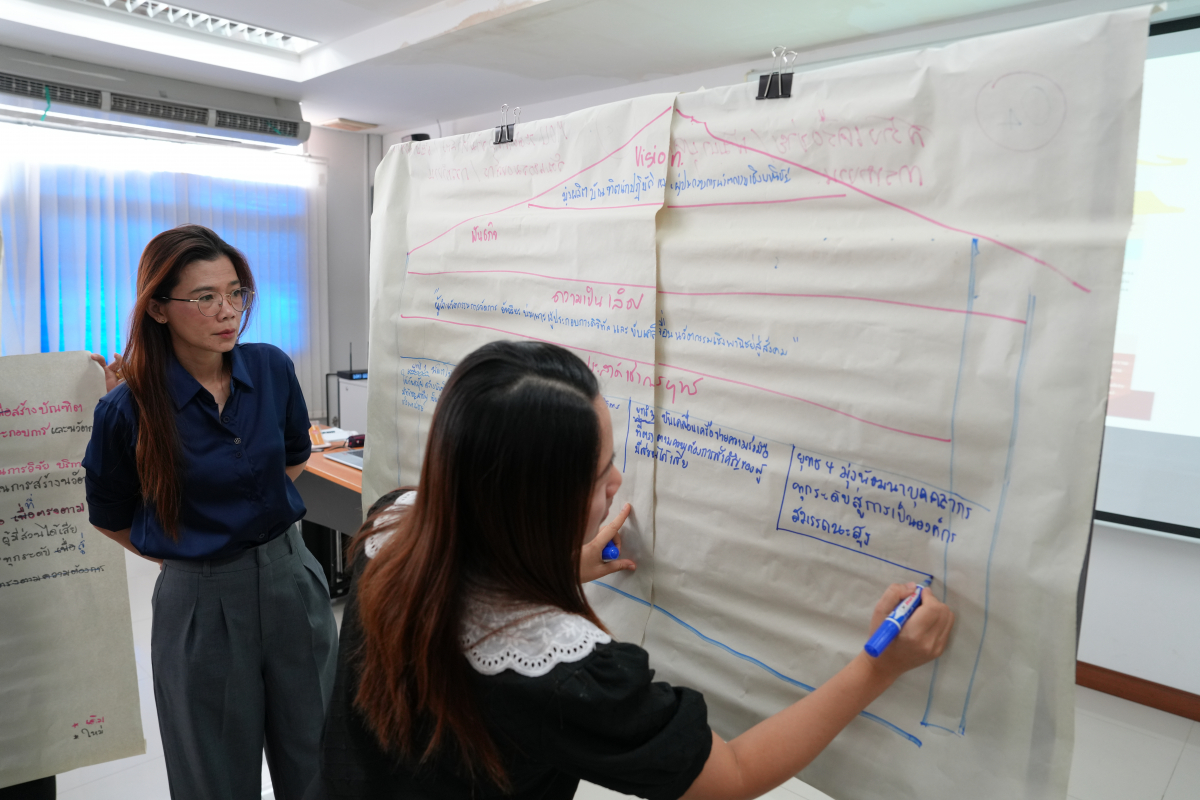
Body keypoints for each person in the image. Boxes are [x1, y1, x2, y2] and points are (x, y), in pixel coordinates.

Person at [306, 340, 954, 800]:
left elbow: (469, 585)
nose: (618, 482)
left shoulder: (395, 530)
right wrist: (879, 666)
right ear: (534, 507)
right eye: (598, 475)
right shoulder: (563, 676)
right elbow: (730, 776)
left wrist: (562, 566)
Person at [82, 225, 337, 800]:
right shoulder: (126, 409)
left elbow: (294, 455)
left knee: (319, 761)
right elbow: (109, 514)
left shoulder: (270, 368)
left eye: (235, 292)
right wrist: (187, 554)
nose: (227, 311)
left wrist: (248, 513)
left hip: (291, 582)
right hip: (199, 603)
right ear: (159, 309)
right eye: (205, 297)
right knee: (213, 777)